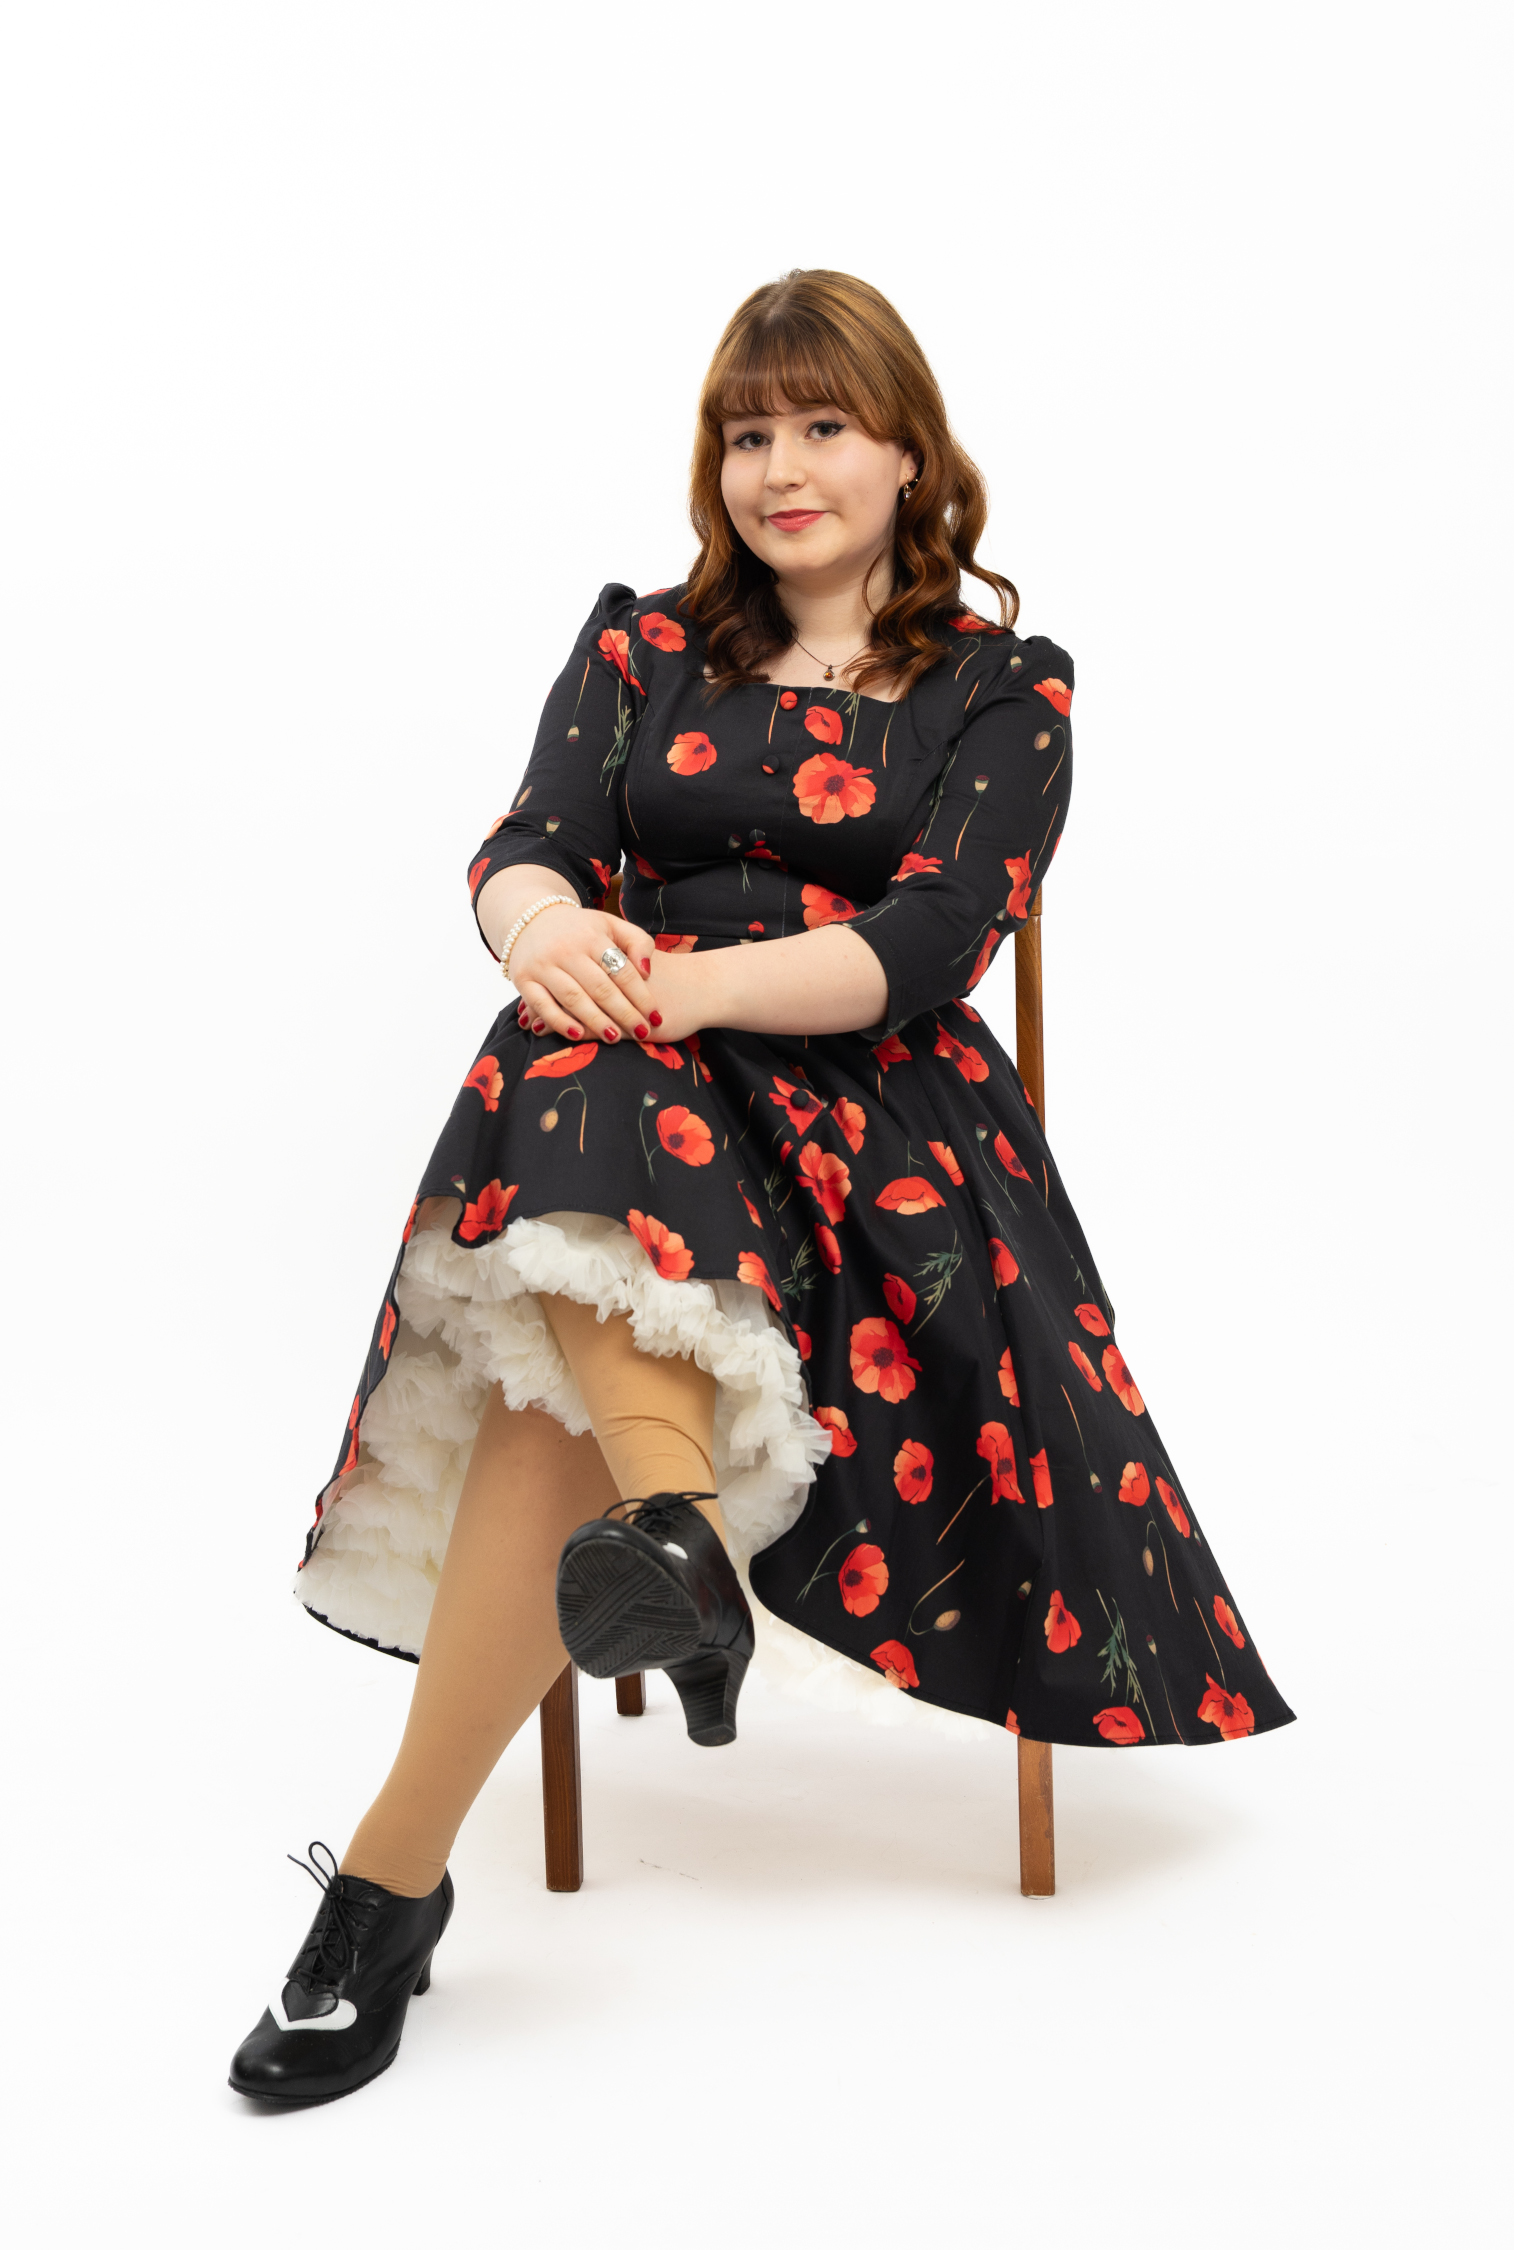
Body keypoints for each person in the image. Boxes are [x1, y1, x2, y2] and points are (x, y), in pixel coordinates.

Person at [230, 269, 1293, 2107]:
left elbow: (934, 939)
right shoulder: (640, 645)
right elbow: (532, 840)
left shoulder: (1002, 688)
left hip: (875, 1134)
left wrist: (678, 985)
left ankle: (398, 1879)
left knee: (562, 1224)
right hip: (629, 1101)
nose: (779, 468)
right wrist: (541, 926)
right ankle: (659, 1540)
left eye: (821, 426)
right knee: (567, 1080)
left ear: (908, 454)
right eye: (747, 433)